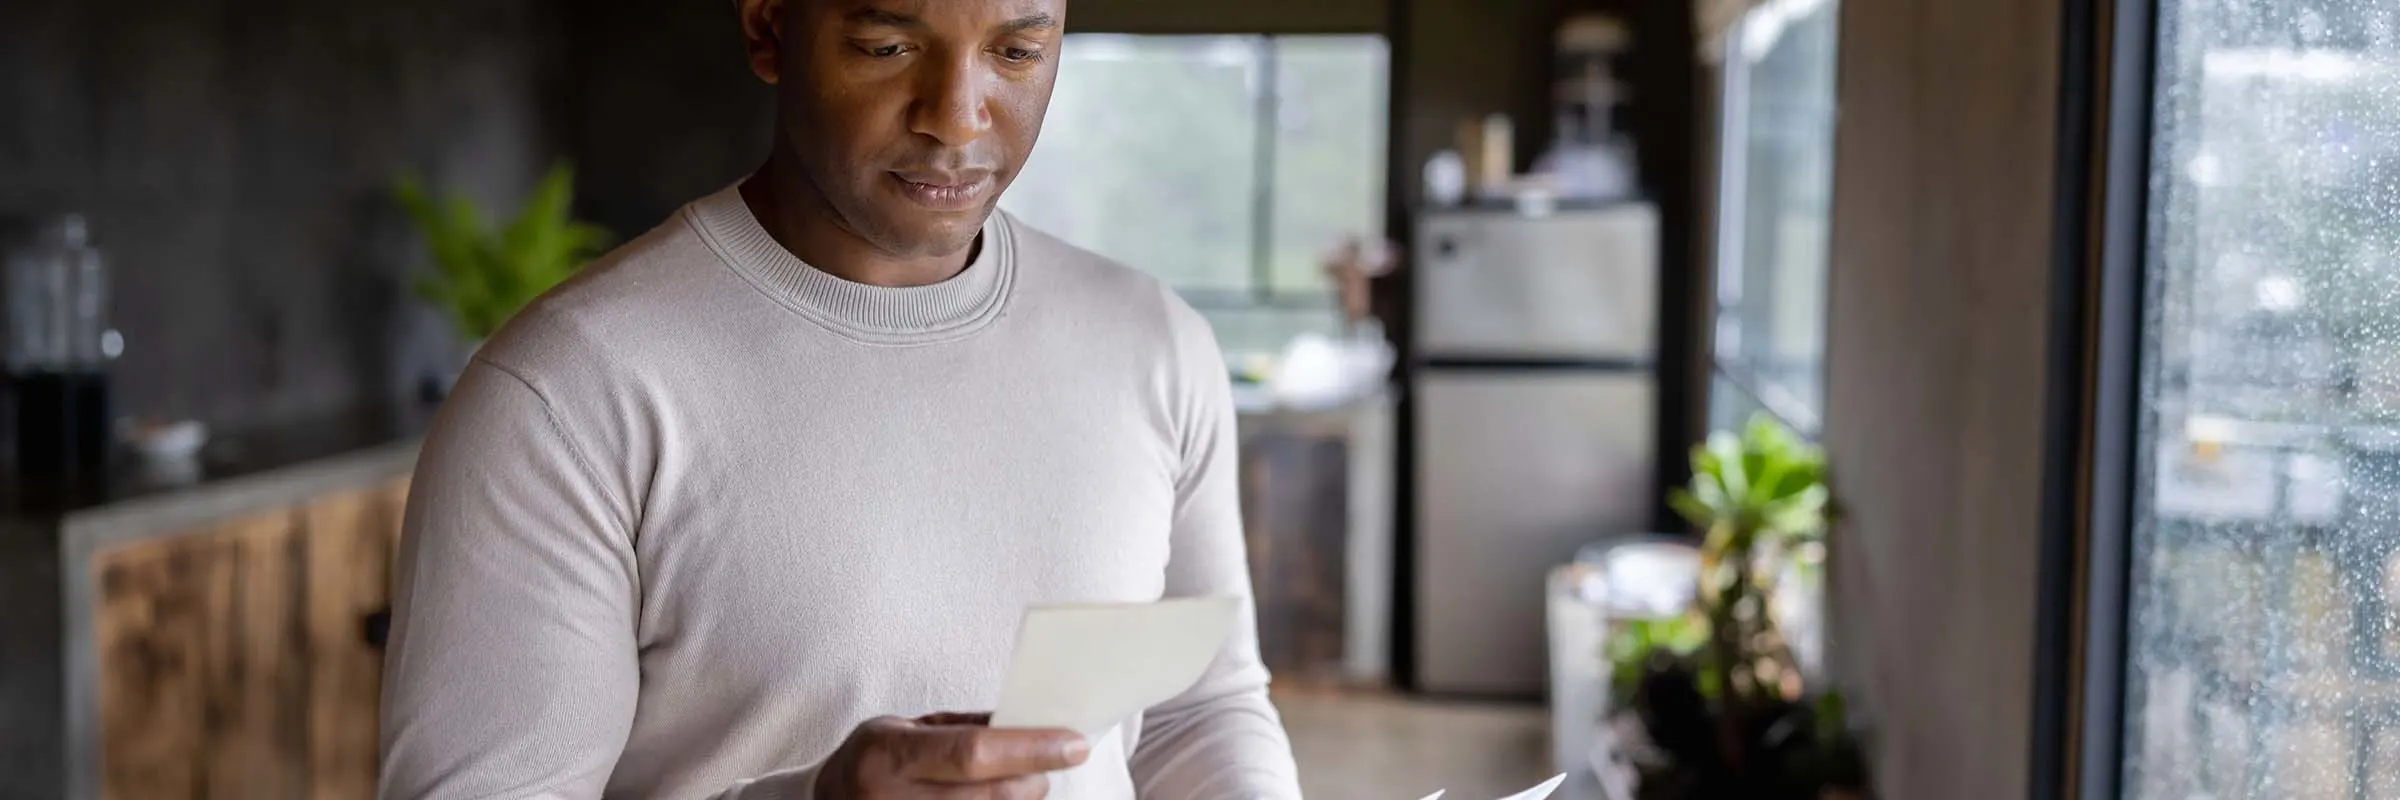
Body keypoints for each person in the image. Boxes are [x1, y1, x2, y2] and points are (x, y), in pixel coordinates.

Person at [375, 0, 1304, 797]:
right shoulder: (568, 393)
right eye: (887, 46)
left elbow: (1199, 712)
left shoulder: (1152, 343)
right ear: (771, 28)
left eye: (1016, 52)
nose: (958, 118)